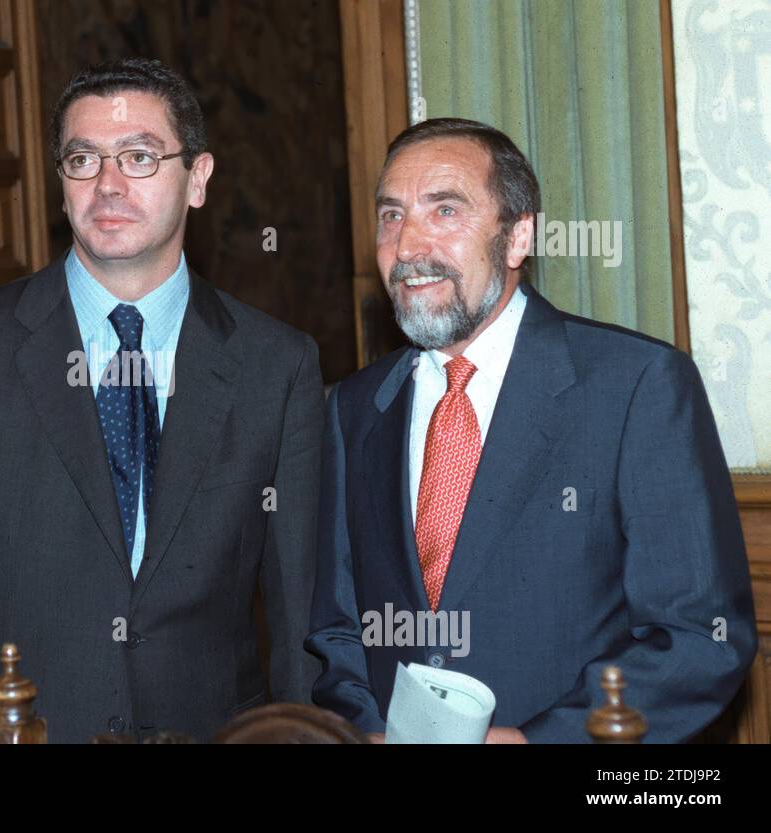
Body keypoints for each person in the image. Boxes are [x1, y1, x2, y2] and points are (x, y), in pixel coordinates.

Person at [0, 58, 323, 742]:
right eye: (82, 158)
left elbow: (299, 614)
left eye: (139, 156)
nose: (107, 183)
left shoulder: (278, 365)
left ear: (199, 178)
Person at [306, 117, 756, 743]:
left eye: (444, 210)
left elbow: (697, 638)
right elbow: (336, 629)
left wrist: (534, 742)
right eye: (391, 215)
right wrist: (365, 732)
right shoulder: (353, 407)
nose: (407, 245)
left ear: (518, 237)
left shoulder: (636, 385)